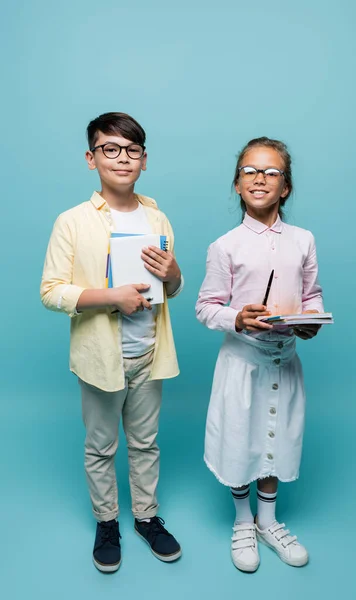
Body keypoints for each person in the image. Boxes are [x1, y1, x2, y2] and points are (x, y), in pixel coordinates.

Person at [41, 112, 183, 572]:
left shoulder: (157, 215)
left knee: (146, 443)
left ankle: (146, 517)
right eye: (110, 149)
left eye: (132, 150)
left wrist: (174, 275)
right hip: (101, 358)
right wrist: (110, 299)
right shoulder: (73, 221)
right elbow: (51, 291)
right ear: (91, 158)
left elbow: (172, 287)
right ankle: (107, 521)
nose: (122, 158)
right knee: (101, 446)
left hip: (149, 353)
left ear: (145, 160)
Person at [196, 136, 324, 572]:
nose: (260, 179)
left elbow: (312, 296)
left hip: (284, 361)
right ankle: (243, 520)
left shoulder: (303, 240)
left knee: (276, 439)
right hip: (242, 363)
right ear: (237, 184)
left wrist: (310, 321)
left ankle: (269, 520)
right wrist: (237, 317)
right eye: (250, 171)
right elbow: (205, 306)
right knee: (240, 439)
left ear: (285, 187)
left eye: (271, 172)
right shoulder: (225, 245)